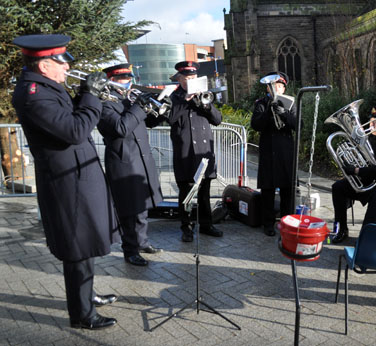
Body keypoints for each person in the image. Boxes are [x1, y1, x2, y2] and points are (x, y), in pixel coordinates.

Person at [11, 34, 118, 330]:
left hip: (77, 177)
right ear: (45, 65)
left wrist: (86, 94)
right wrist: (92, 96)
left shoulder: (47, 86)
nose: (68, 69)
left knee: (85, 243)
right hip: (66, 182)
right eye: (62, 63)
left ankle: (87, 295)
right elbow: (74, 131)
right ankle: (82, 315)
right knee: (76, 247)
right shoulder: (33, 94)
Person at [97, 63, 164, 266]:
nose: (127, 82)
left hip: (142, 159)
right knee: (128, 210)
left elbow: (147, 123)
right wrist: (138, 107)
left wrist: (160, 111)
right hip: (124, 161)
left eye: (129, 78)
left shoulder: (130, 100)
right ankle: (130, 249)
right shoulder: (104, 103)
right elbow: (121, 127)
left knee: (142, 205)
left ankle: (142, 242)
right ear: (111, 81)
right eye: (122, 79)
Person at [167, 61, 223, 242]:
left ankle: (206, 224)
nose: (190, 81)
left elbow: (217, 120)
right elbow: (170, 117)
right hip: (185, 152)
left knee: (204, 191)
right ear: (180, 80)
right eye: (186, 78)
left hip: (204, 152)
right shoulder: (174, 97)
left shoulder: (203, 96)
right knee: (186, 193)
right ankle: (187, 227)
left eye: (193, 78)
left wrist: (204, 105)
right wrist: (186, 100)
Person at [331, 107, 376, 243]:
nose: (371, 124)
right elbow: (358, 157)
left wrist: (357, 171)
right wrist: (348, 162)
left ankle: (366, 237)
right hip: (367, 180)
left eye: (375, 121)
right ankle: (342, 229)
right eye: (371, 120)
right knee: (338, 187)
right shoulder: (369, 137)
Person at [251, 72, 297, 236]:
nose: (275, 88)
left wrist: (284, 113)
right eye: (272, 86)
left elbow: (298, 124)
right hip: (268, 152)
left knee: (287, 190)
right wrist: (269, 112)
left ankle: (287, 222)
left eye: (279, 86)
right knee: (268, 190)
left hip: (286, 152)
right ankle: (268, 224)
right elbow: (255, 124)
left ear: (283, 88)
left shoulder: (291, 103)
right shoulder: (261, 104)